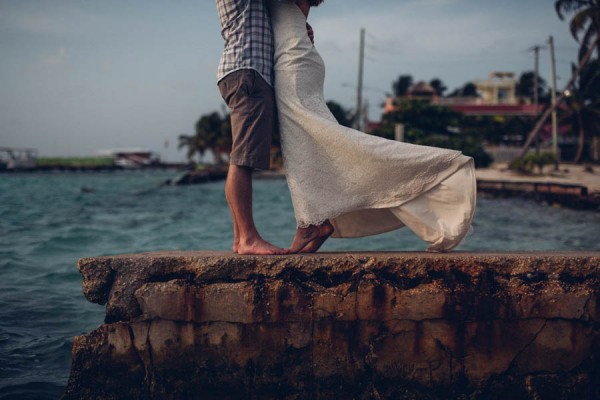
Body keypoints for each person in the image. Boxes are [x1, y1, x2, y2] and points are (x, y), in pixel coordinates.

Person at [267, 0, 477, 253]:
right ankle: (315, 220)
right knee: (309, 144)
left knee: (305, 141)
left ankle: (441, 165)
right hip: (297, 53)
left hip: (292, 59)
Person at [215, 0, 288, 255]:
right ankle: (247, 238)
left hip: (245, 71)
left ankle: (240, 239)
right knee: (242, 160)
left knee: (242, 157)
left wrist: (299, 26)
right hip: (247, 71)